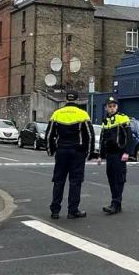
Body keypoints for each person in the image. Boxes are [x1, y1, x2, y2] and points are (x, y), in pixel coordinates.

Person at [47, 90, 94, 219]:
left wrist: (51, 150)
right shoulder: (82, 114)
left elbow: (49, 134)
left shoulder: (57, 113)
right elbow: (90, 135)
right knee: (75, 182)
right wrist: (89, 153)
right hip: (77, 153)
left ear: (66, 99)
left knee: (58, 181)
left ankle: (55, 211)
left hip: (61, 151)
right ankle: (72, 211)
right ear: (77, 100)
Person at [98, 97, 132, 215]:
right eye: (110, 106)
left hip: (119, 153)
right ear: (106, 108)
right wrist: (100, 155)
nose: (112, 108)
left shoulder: (123, 118)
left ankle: (115, 203)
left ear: (117, 107)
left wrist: (127, 152)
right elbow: (103, 139)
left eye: (114, 106)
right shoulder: (105, 121)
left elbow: (128, 136)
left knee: (119, 179)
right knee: (111, 178)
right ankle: (116, 204)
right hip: (109, 154)